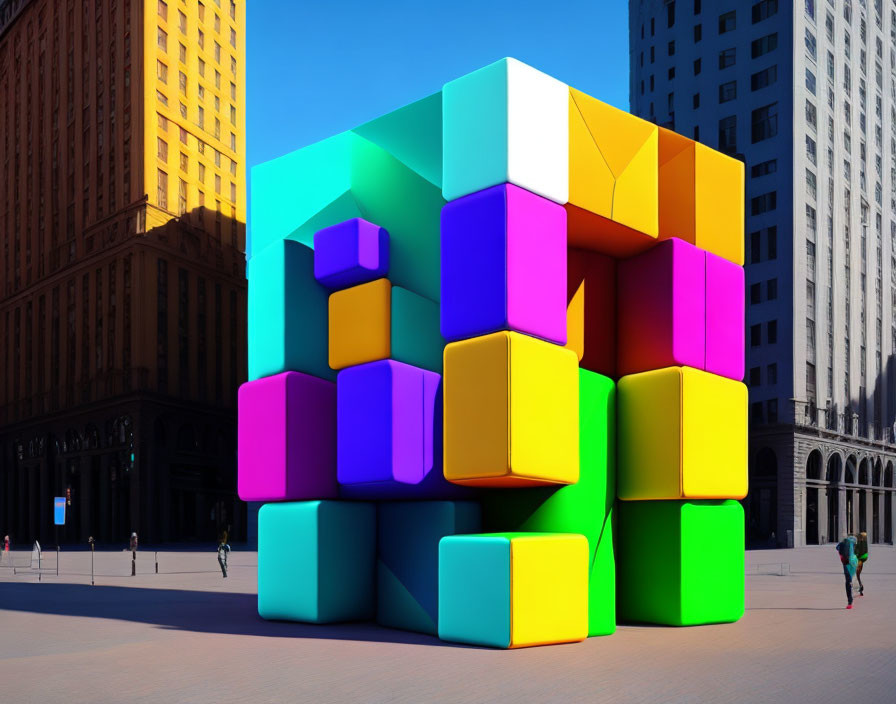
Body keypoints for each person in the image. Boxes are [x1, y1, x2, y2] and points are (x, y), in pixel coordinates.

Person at [835, 534, 858, 609]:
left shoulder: (843, 543)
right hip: (853, 562)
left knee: (848, 581)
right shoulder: (853, 542)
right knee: (853, 578)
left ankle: (849, 602)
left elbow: (837, 548)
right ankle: (856, 588)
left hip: (845, 562)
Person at [855, 531, 869, 596]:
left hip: (859, 560)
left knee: (856, 574)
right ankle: (860, 587)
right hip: (862, 559)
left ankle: (860, 586)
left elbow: (857, 551)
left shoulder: (859, 543)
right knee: (858, 574)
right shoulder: (865, 543)